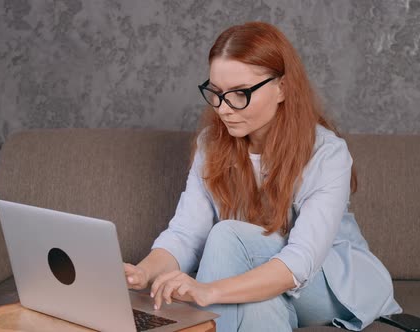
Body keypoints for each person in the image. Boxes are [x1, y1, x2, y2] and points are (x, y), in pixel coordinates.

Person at [124, 21, 402, 331]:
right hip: (258, 277)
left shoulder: (327, 153)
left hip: (332, 282)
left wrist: (209, 290)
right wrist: (141, 272)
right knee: (260, 303)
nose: (224, 109)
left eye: (240, 94)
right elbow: (186, 235)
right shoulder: (211, 144)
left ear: (282, 88)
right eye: (215, 93)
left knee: (227, 235)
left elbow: (300, 262)